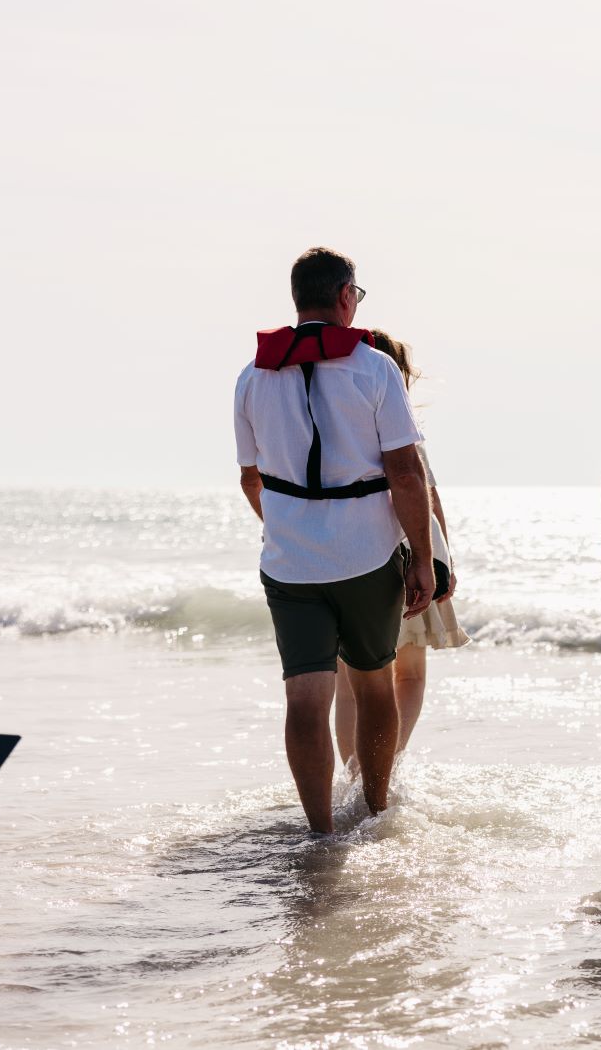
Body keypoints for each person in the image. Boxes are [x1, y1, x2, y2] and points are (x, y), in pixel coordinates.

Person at [234, 248, 435, 834]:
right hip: (366, 556)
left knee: (305, 700)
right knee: (375, 685)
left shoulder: (252, 376)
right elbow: (404, 471)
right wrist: (422, 559)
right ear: (346, 296)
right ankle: (373, 812)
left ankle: (319, 829)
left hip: (290, 564)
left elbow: (250, 478)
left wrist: (286, 530)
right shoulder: (375, 368)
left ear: (299, 301)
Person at [333, 331, 466, 772]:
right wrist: (442, 563)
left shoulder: (343, 431)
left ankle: (355, 770)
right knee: (408, 674)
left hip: (349, 558)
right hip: (408, 558)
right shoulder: (405, 432)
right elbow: (428, 497)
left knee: (348, 682)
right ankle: (386, 763)